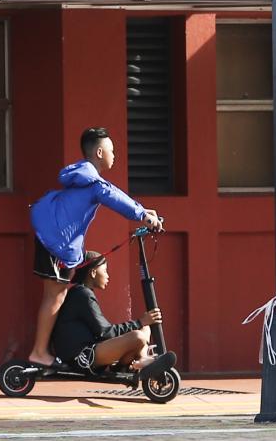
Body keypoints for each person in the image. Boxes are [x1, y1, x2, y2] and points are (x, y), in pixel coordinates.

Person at [29, 127, 163, 369]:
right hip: (56, 243)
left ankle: (43, 350)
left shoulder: (85, 178)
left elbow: (113, 192)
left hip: (51, 239)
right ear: (100, 152)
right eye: (112, 150)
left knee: (56, 296)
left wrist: (143, 211)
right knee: (54, 296)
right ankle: (39, 352)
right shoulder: (92, 182)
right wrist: (143, 215)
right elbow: (112, 196)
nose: (115, 155)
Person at [51, 251, 176, 377]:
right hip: (81, 357)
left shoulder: (82, 292)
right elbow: (105, 332)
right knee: (138, 336)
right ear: (93, 273)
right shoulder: (82, 294)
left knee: (145, 328)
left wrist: (141, 324)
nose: (108, 276)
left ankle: (135, 362)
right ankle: (140, 361)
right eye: (105, 271)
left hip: (91, 349)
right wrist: (139, 322)